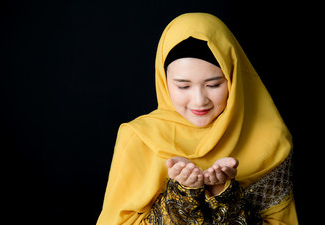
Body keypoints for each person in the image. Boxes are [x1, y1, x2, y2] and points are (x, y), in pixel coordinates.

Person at [96, 13, 298, 224]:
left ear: (234, 78)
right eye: (183, 86)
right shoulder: (139, 137)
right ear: (164, 81)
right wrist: (183, 195)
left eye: (214, 85)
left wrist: (223, 192)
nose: (199, 100)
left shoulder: (271, 138)